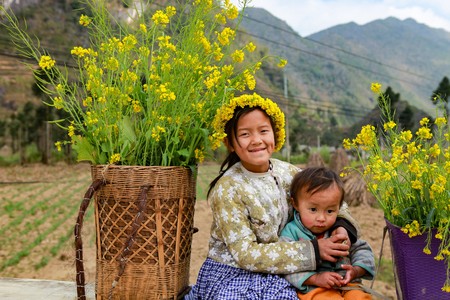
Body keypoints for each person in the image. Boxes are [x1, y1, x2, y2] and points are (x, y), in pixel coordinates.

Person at [185, 93, 360, 299]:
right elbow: (245, 255)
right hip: (233, 272)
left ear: (275, 135)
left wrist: (341, 228)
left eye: (263, 131)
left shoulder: (290, 172)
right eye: (245, 134)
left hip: (281, 267)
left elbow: (336, 202)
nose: (256, 140)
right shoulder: (228, 189)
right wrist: (312, 251)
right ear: (230, 143)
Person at [280, 167, 375, 299]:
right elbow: (285, 265)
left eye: (330, 211)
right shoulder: (291, 232)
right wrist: (315, 278)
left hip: (349, 284)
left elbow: (362, 249)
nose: (321, 218)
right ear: (295, 203)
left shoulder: (339, 229)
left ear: (339, 208)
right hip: (316, 289)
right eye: (313, 209)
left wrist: (356, 270)